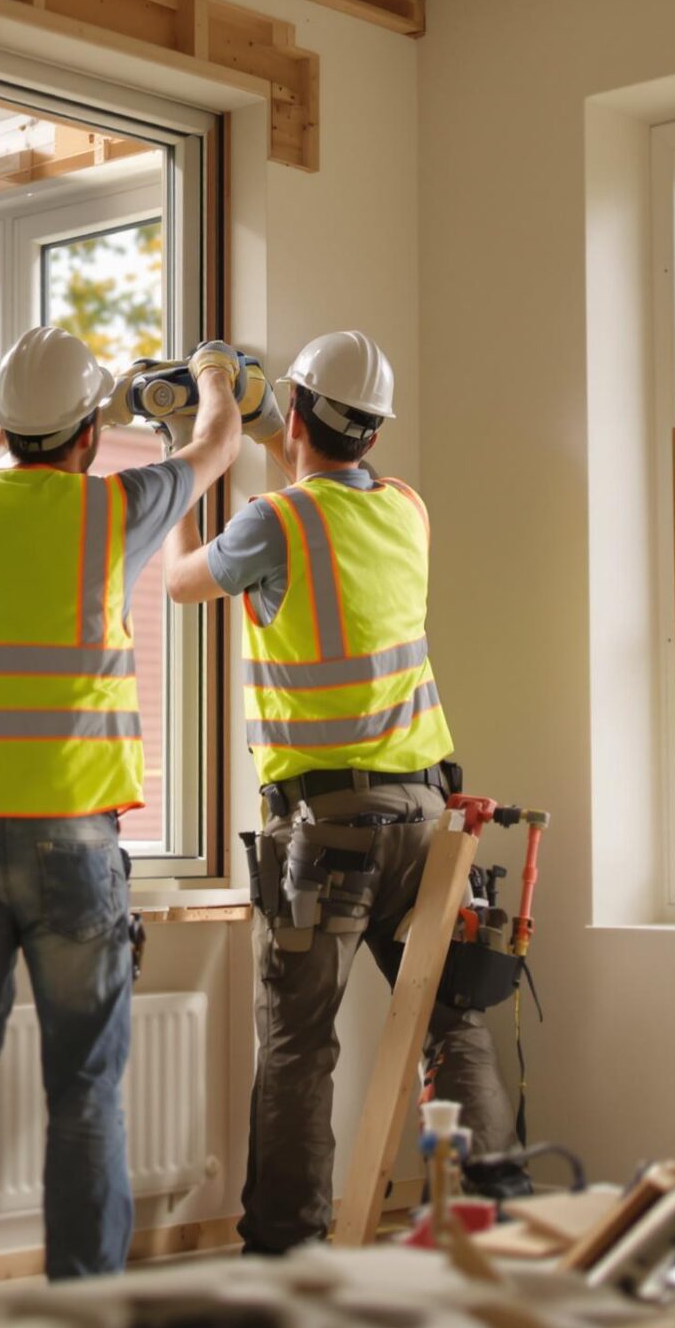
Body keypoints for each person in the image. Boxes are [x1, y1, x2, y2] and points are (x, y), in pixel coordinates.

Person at [0, 327, 244, 1324]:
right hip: (73, 839)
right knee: (84, 1092)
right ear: (91, 432)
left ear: (9, 430)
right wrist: (215, 378)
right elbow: (215, 449)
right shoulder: (111, 509)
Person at [162, 329, 521, 1255]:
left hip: (328, 834)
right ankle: (497, 1218)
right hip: (427, 820)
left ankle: (285, 1251)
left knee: (298, 1043)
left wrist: (185, 444)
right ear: (374, 428)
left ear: (301, 415)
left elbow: (178, 582)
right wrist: (256, 399)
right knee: (453, 1020)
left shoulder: (275, 523)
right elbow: (321, 447)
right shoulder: (406, 507)